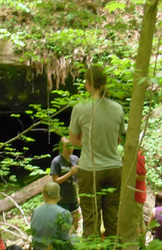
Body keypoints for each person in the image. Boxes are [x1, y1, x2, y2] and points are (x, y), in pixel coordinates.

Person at [68, 65, 125, 238]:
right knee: (112, 219)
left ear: (88, 84)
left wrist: (87, 145)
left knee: (91, 220)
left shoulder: (80, 108)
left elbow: (73, 139)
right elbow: (119, 137)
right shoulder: (117, 108)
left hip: (90, 169)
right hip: (114, 168)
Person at [50, 137, 81, 233]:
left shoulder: (75, 159)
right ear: (61, 147)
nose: (69, 149)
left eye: (71, 146)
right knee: (63, 224)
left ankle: (72, 241)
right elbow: (55, 181)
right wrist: (70, 173)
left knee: (76, 221)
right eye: (67, 146)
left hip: (73, 197)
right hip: (62, 199)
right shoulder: (56, 162)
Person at [30, 182, 73, 250]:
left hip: (37, 247)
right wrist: (71, 231)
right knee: (74, 238)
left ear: (44, 194)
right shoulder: (63, 213)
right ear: (58, 195)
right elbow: (65, 239)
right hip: (53, 248)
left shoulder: (35, 211)